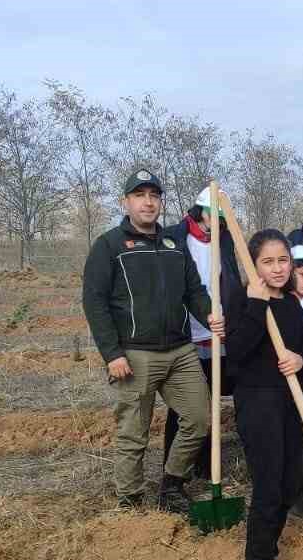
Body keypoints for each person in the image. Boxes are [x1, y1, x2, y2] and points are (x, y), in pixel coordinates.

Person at [82, 170, 221, 512]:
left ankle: (172, 484)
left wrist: (209, 316)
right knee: (133, 432)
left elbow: (194, 291)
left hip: (180, 351)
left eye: (154, 196)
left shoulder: (174, 245)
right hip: (135, 354)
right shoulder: (109, 246)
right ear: (126, 202)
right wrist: (112, 353)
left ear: (161, 202)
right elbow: (94, 302)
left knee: (200, 418)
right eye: (140, 195)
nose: (148, 202)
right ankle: (129, 500)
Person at [227, 229, 303, 560]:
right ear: (253, 264)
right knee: (267, 483)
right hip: (258, 403)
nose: (278, 268)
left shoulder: (293, 305)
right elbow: (236, 352)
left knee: (287, 481)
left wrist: (300, 359)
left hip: (289, 403)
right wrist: (255, 305)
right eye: (268, 261)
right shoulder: (245, 300)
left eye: (283, 260)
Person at [161, 187, 238, 485]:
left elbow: (230, 279)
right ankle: (176, 468)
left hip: (218, 331)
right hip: (186, 336)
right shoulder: (175, 238)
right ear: (200, 211)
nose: (216, 222)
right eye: (212, 215)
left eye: (222, 218)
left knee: (213, 399)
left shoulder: (226, 241)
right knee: (186, 403)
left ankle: (207, 467)